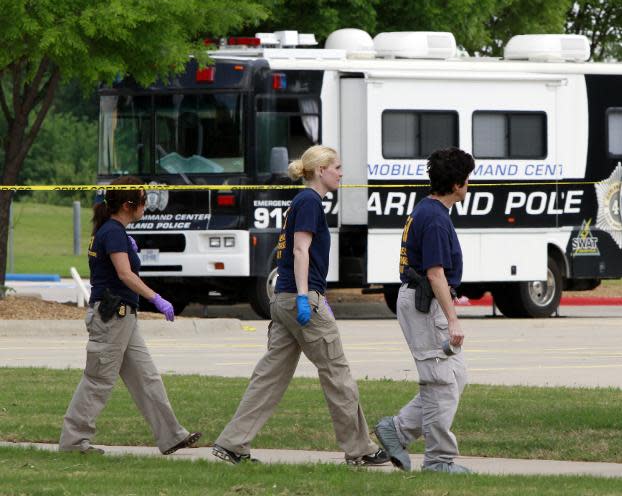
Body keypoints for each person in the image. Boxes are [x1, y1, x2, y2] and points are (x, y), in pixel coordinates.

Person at [212, 145, 388, 466]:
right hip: (299, 299)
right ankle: (360, 450)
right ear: (320, 171)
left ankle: (232, 444)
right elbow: (300, 250)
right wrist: (307, 296)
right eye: (336, 166)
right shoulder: (309, 202)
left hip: (282, 299)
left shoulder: (301, 202)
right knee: (337, 374)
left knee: (269, 377)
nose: (341, 172)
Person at [59, 176, 200, 455]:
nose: (146, 205)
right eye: (143, 200)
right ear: (128, 205)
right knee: (98, 380)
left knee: (147, 378)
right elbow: (124, 274)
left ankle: (171, 436)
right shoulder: (112, 232)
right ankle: (73, 442)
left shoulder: (115, 232)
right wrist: (156, 298)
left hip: (124, 318)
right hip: (112, 318)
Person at [375, 147, 475, 474]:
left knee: (455, 377)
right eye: (467, 179)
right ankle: (438, 461)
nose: (469, 185)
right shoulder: (433, 218)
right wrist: (453, 318)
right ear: (457, 184)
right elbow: (435, 274)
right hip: (425, 303)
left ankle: (396, 430)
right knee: (440, 380)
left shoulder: (431, 211)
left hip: (423, 300)